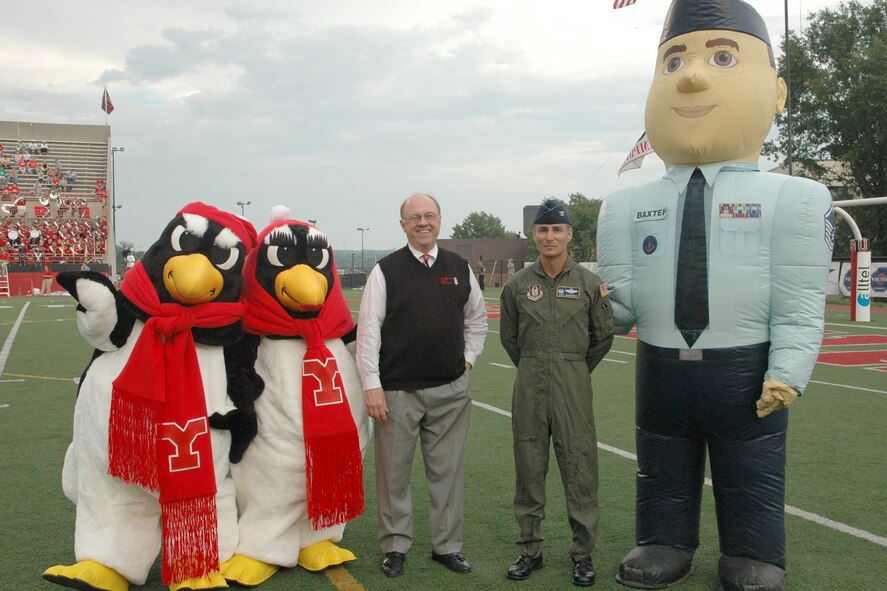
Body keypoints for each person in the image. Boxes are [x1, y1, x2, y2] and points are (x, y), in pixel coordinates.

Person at [596, 2, 834, 590]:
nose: (693, 75)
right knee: (660, 465)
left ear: (777, 92)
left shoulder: (798, 200)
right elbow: (620, 302)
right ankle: (663, 539)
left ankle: (753, 551)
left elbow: (801, 303)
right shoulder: (623, 204)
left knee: (751, 470)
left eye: (723, 57)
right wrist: (583, 320)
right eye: (674, 59)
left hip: (745, 369)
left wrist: (790, 369)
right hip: (659, 368)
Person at [357, 193, 488, 578]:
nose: (423, 222)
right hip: (397, 391)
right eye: (414, 217)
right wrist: (372, 385)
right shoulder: (385, 270)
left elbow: (477, 321)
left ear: (440, 220)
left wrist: (467, 360)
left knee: (447, 473)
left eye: (429, 215)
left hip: (450, 390)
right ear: (403, 225)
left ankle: (447, 547)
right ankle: (395, 546)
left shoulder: (459, 267)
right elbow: (368, 334)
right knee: (393, 474)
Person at [499, 199, 614, 587]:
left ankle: (582, 555)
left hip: (572, 388)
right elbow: (510, 339)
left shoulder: (588, 284)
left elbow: (603, 338)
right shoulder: (517, 286)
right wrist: (537, 367)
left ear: (569, 235)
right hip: (529, 385)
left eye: (556, 230)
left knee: (580, 470)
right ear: (535, 235)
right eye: (542, 230)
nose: (549, 237)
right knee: (529, 471)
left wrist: (573, 369)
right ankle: (530, 550)